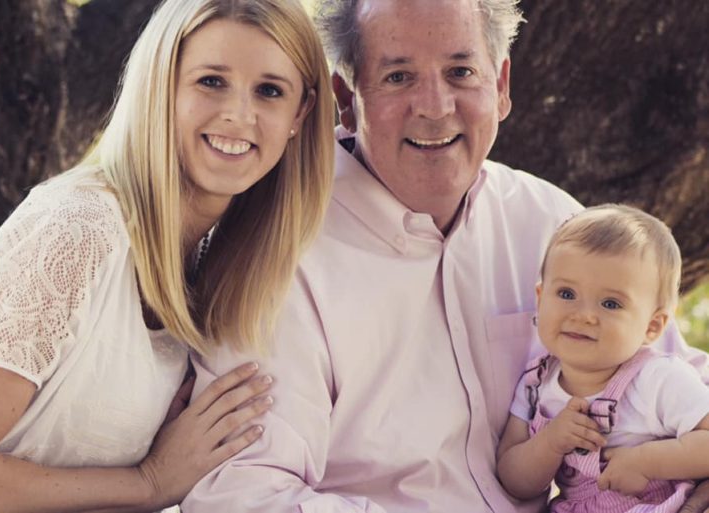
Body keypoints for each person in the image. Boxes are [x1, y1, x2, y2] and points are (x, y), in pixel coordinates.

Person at [180, 1, 709, 512]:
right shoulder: (275, 255)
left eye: (460, 72)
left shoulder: (551, 221)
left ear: (500, 86)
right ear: (346, 98)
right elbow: (242, 494)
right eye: (398, 77)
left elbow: (676, 378)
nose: (434, 107)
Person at [0, 0, 334, 511]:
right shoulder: (78, 229)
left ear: (300, 113)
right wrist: (149, 482)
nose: (239, 115)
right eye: (211, 81)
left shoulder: (213, 259)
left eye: (270, 91)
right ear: (160, 85)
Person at [497, 205, 709, 512]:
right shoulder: (535, 384)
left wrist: (645, 461)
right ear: (540, 300)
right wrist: (549, 443)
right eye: (567, 294)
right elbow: (512, 480)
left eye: (610, 303)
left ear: (652, 326)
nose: (583, 315)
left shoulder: (657, 378)